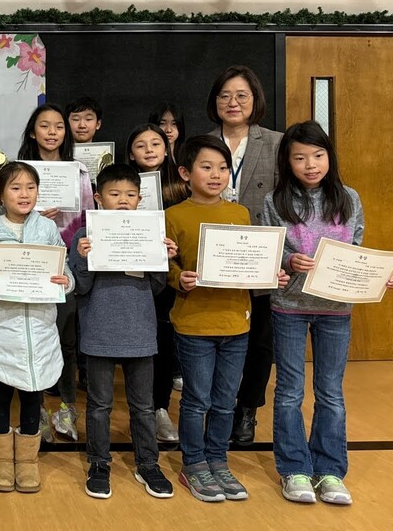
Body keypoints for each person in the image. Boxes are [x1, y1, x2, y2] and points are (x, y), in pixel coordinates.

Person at [264, 122, 393, 506]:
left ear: (330, 157)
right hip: (289, 307)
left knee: (331, 393)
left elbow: (356, 251)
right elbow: (269, 255)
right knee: (289, 392)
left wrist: (379, 278)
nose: (311, 164)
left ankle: (330, 471)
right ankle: (294, 469)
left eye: (318, 155)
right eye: (301, 157)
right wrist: (290, 260)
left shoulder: (349, 198)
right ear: (287, 161)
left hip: (337, 308)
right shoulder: (275, 201)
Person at [166, 135, 288, 503]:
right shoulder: (174, 216)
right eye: (206, 167)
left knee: (225, 401)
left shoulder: (240, 214)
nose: (216, 174)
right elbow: (166, 266)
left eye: (223, 168)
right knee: (196, 400)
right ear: (186, 173)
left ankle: (218, 460)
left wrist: (272, 273)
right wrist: (178, 278)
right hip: (194, 323)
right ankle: (194, 464)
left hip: (237, 322)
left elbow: (248, 262)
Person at [68, 163, 176, 500]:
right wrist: (83, 257)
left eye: (130, 195)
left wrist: (164, 257)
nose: (123, 201)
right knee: (99, 406)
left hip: (140, 333)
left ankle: (148, 463)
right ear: (98, 198)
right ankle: (99, 463)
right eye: (114, 194)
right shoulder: (83, 235)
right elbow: (79, 288)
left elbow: (158, 287)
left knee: (143, 407)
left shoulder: (150, 233)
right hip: (99, 332)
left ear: (140, 199)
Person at [0, 161, 74, 493]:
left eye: (30, 187)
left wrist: (64, 280)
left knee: (32, 393)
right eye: (15, 187)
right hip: (3, 327)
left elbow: (64, 270)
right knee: (0, 392)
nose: (24, 194)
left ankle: (27, 460)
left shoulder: (46, 228)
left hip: (40, 328)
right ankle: (0, 459)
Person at [206, 66, 283, 445]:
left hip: (260, 258)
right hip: (212, 256)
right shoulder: (203, 143)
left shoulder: (277, 143)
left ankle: (247, 410)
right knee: (215, 334)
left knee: (259, 341)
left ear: (255, 100)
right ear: (214, 101)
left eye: (241, 96)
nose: (232, 103)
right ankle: (214, 405)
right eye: (224, 95)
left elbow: (288, 201)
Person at [17, 104, 93, 439]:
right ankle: (36, 414)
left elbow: (89, 217)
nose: (52, 132)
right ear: (33, 132)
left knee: (66, 341)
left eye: (58, 126)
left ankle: (66, 408)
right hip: (28, 264)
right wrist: (33, 219)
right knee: (30, 340)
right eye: (44, 126)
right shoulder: (19, 172)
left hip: (65, 264)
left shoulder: (79, 172)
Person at [126, 123, 188, 443]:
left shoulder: (183, 187)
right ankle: (140, 409)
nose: (149, 150)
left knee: (164, 340)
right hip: (134, 276)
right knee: (140, 343)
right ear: (131, 154)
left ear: (167, 149)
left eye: (156, 143)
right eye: (141, 145)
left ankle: (160, 408)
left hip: (170, 272)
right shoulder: (123, 187)